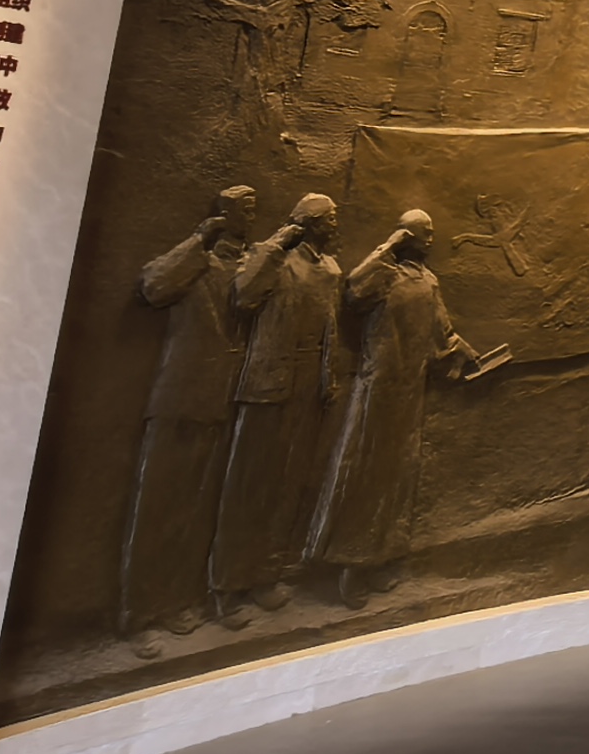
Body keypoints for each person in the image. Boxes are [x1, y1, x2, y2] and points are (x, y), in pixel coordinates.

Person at [306, 211, 501, 601]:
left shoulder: (428, 281)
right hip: (376, 390)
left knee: (397, 478)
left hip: (410, 394)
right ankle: (349, 567)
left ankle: (380, 560)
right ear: (406, 235)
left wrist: (466, 353)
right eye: (424, 233)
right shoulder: (385, 275)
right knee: (364, 473)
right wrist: (390, 245)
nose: (431, 239)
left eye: (431, 233)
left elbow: (442, 335)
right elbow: (354, 290)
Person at [115, 186, 253, 648]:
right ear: (223, 214)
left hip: (224, 404)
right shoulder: (195, 264)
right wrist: (198, 239)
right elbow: (153, 286)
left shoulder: (250, 269)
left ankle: (175, 602)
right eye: (243, 209)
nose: (251, 216)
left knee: (195, 513)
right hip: (178, 401)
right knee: (156, 507)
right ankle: (138, 615)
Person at [208, 192, 343, 624]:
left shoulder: (330, 269)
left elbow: (330, 327)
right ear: (307, 223)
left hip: (309, 384)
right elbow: (244, 296)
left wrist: (327, 376)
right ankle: (227, 586)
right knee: (249, 485)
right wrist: (278, 242)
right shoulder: (272, 259)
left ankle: (265, 577)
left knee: (288, 486)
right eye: (329, 218)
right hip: (268, 383)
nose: (335, 225)